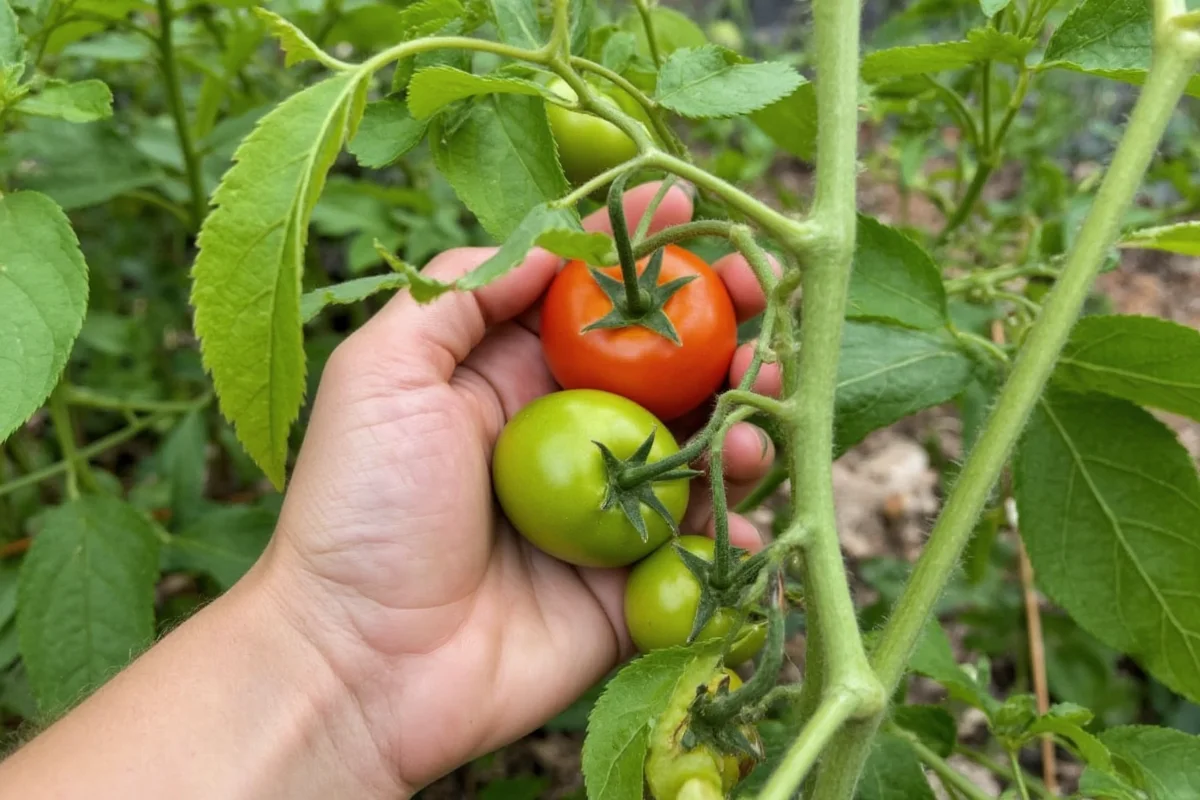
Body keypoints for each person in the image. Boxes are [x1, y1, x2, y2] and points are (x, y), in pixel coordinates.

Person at [0, 183, 781, 799]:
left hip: (626, 482)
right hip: (633, 482)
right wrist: (339, 653)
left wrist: (336, 664)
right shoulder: (654, 468)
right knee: (741, 421)